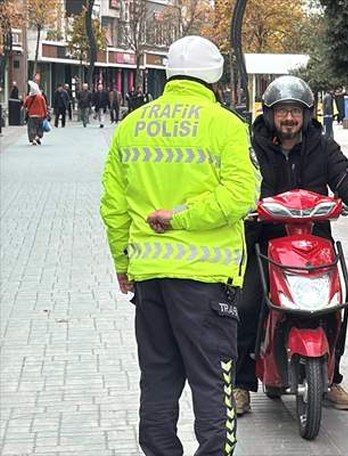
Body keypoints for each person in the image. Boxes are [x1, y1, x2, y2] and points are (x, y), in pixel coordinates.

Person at [99, 35, 258, 456]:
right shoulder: (225, 125)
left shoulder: (132, 126)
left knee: (158, 380)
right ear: (216, 78)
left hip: (149, 280)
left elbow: (113, 207)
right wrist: (182, 217)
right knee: (212, 383)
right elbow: (243, 196)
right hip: (205, 282)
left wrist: (123, 262)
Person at [232, 76, 348, 415]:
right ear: (268, 114)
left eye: (295, 111)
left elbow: (342, 176)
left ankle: (331, 377)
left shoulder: (322, 145)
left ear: (307, 115)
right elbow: (239, 181)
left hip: (314, 242)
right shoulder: (252, 146)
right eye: (282, 112)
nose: (289, 119)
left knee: (336, 304)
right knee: (249, 303)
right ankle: (241, 384)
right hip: (264, 241)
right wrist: (243, 207)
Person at [23, 81, 48, 145]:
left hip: (31, 115)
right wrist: (45, 114)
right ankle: (38, 136)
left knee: (32, 127)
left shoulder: (29, 98)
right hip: (40, 115)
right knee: (39, 127)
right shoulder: (41, 97)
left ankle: (33, 139)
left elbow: (25, 105)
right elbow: (44, 106)